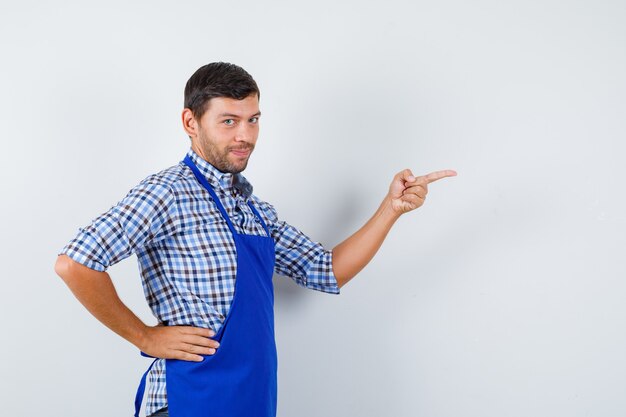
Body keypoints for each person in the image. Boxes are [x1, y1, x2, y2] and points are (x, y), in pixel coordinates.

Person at [54, 62, 457, 417]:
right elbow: (75, 264)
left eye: (253, 120)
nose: (245, 135)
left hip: (252, 401)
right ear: (190, 123)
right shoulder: (167, 192)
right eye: (228, 121)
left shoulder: (254, 209)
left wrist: (390, 209)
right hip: (190, 400)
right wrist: (144, 336)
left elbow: (327, 270)